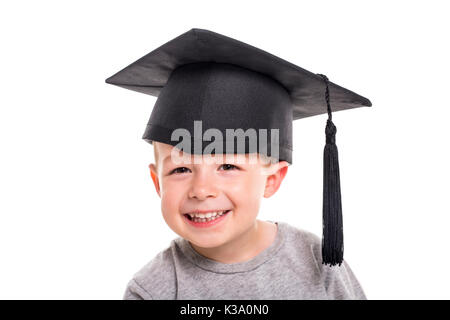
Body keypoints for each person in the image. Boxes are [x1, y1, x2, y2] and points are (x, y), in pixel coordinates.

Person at [105, 28, 371, 300]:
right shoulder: (151, 289)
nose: (202, 189)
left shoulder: (315, 259)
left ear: (272, 179)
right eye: (180, 169)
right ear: (156, 181)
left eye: (228, 167)